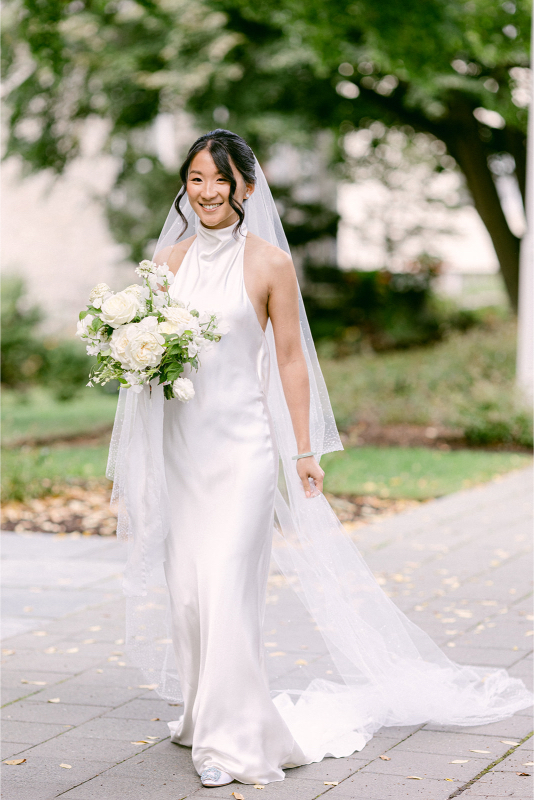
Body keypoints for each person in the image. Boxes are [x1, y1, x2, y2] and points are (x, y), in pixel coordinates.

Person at [107, 129, 533, 789]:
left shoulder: (271, 264)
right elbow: (149, 352)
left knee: (225, 586)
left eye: (221, 180)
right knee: (190, 591)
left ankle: (233, 740)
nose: (209, 192)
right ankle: (201, 711)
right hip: (182, 447)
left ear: (246, 186)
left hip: (243, 450)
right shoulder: (166, 264)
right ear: (185, 187)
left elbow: (289, 360)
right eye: (196, 179)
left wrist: (302, 450)